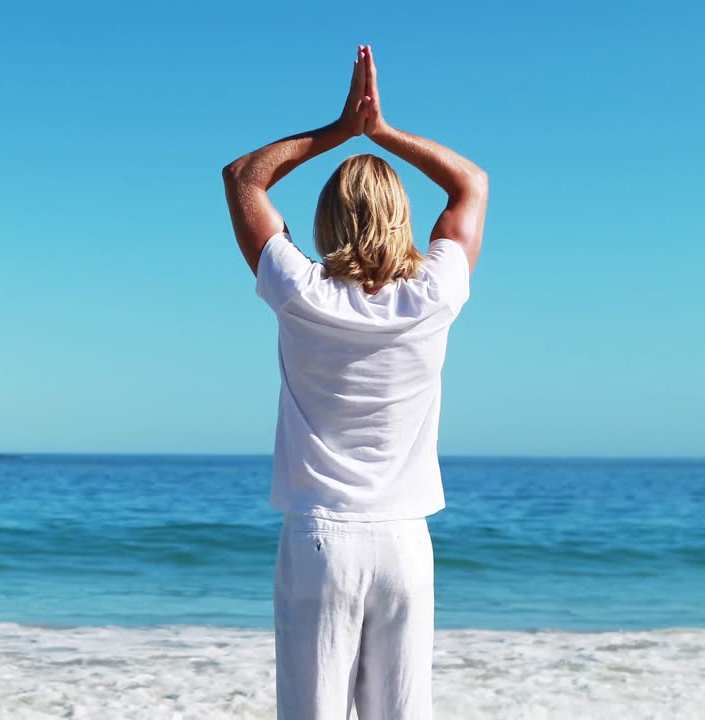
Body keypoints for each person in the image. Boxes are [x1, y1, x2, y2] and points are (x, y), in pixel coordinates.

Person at [221, 45, 488, 719]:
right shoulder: (435, 295)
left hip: (320, 540)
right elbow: (471, 185)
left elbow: (243, 180)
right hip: (403, 541)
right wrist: (384, 131)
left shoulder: (300, 292)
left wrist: (340, 130)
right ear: (403, 219)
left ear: (326, 220)